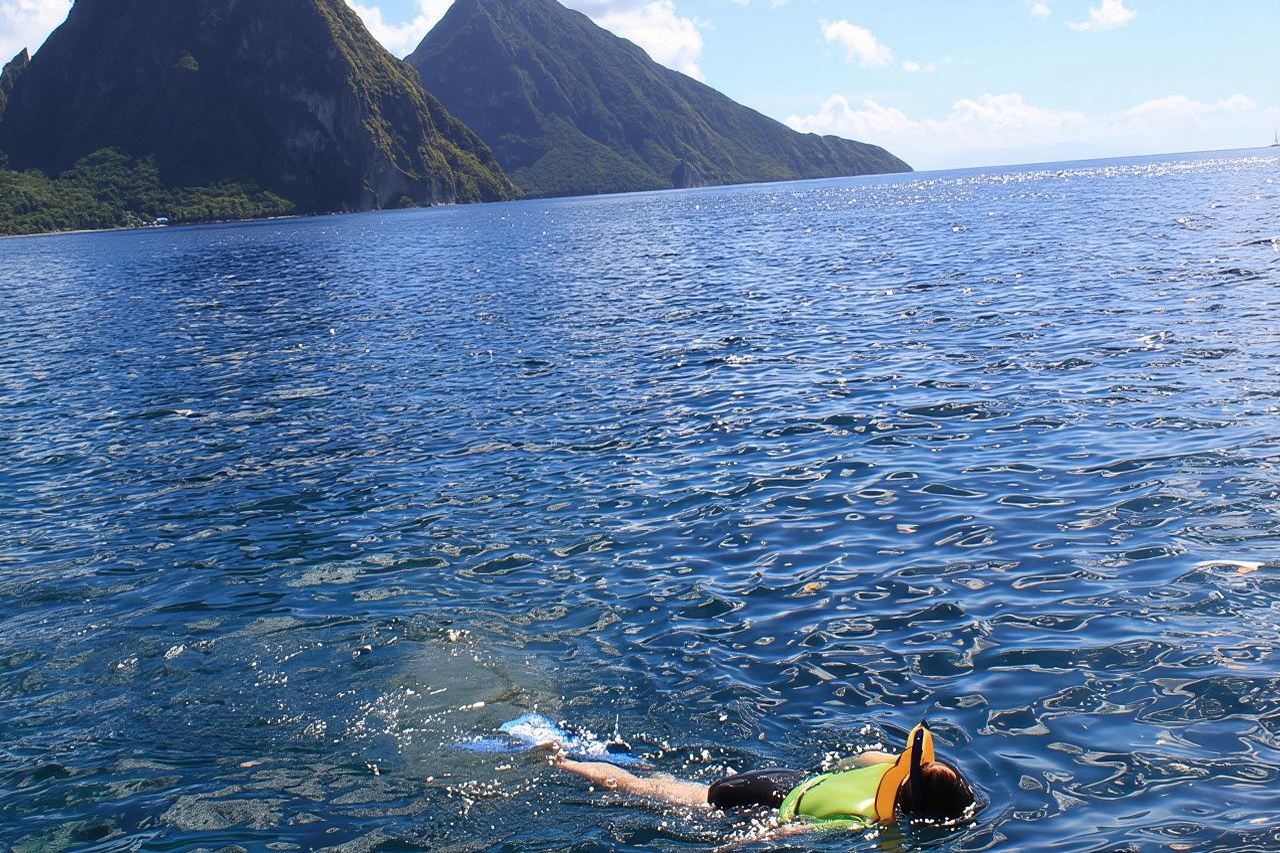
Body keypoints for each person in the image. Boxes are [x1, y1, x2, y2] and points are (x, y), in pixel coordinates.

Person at [553, 720, 977, 834]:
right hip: (764, 801)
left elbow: (856, 759)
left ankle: (607, 757)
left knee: (662, 782)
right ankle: (560, 761)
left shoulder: (889, 768)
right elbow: (786, 834)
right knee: (644, 791)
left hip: (786, 776)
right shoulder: (866, 818)